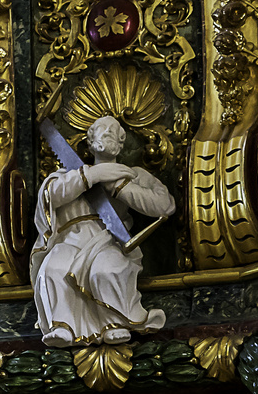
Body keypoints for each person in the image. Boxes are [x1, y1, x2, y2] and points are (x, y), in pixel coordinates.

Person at [31, 115, 175, 346]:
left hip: (108, 240)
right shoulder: (66, 174)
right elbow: (50, 195)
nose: (107, 132)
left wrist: (120, 187)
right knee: (53, 268)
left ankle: (114, 322)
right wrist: (92, 176)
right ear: (90, 142)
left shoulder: (132, 174)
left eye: (113, 130)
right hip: (71, 239)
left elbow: (165, 205)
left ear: (121, 143)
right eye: (101, 129)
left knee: (106, 270)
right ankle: (63, 325)